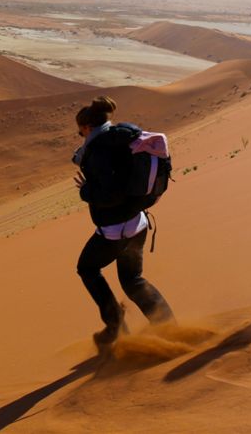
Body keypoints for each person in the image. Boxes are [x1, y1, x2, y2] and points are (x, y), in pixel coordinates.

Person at [72, 96, 175, 347]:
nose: (80, 136)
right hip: (137, 223)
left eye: (79, 131)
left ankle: (115, 324)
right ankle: (168, 325)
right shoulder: (121, 138)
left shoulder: (99, 151)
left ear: (87, 127)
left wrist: (85, 191)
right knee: (132, 279)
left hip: (115, 231)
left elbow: (111, 194)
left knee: (87, 268)